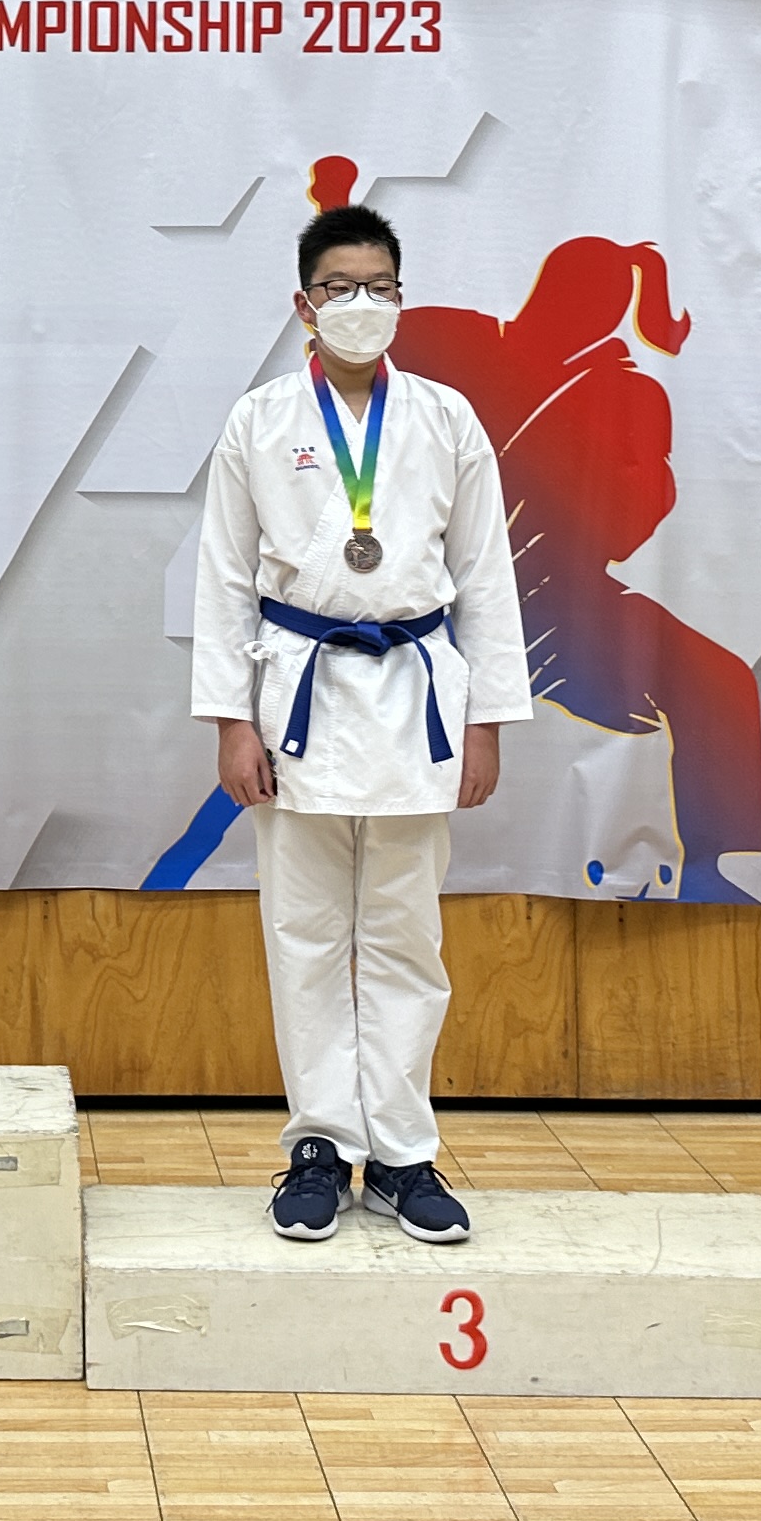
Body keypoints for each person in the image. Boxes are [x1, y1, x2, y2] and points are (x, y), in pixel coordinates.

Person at [193, 200, 528, 1245]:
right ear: (304, 305)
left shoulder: (446, 418)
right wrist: (229, 721)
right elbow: (222, 580)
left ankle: (402, 1152)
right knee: (302, 933)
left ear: (401, 299)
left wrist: (488, 717)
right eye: (340, 288)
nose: (360, 304)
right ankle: (319, 1145)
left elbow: (486, 573)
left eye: (379, 287)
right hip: (297, 690)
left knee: (404, 934)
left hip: (418, 696)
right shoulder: (259, 420)